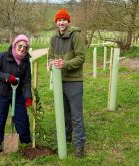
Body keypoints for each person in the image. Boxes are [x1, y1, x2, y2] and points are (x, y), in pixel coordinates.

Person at [48, 8, 86, 158]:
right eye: (59, 20)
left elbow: (81, 57)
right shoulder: (53, 39)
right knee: (64, 113)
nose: (61, 22)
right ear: (56, 22)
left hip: (74, 80)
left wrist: (65, 64)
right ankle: (66, 138)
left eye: (64, 20)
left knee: (76, 114)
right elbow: (50, 56)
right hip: (59, 81)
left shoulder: (76, 36)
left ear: (68, 21)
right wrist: (51, 63)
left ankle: (79, 145)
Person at [0, 34, 32, 152]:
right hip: (1, 94)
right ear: (15, 45)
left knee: (22, 119)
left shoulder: (26, 62)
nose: (22, 48)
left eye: (25, 47)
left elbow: (27, 81)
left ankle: (25, 141)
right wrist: (7, 77)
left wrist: (28, 96)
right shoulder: (3, 56)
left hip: (18, 94)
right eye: (20, 46)